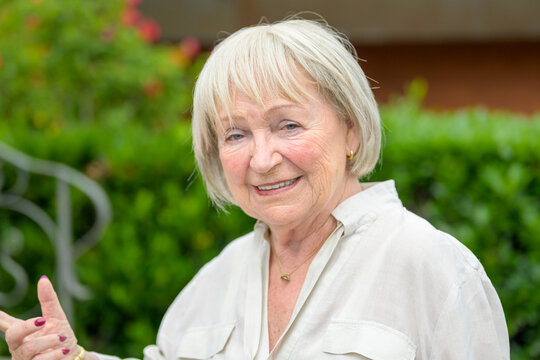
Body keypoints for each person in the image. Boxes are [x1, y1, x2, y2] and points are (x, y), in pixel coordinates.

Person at [0, 17, 509, 360]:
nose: (262, 159)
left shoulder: (434, 268)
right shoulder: (211, 285)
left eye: (288, 125)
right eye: (236, 134)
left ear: (351, 129)